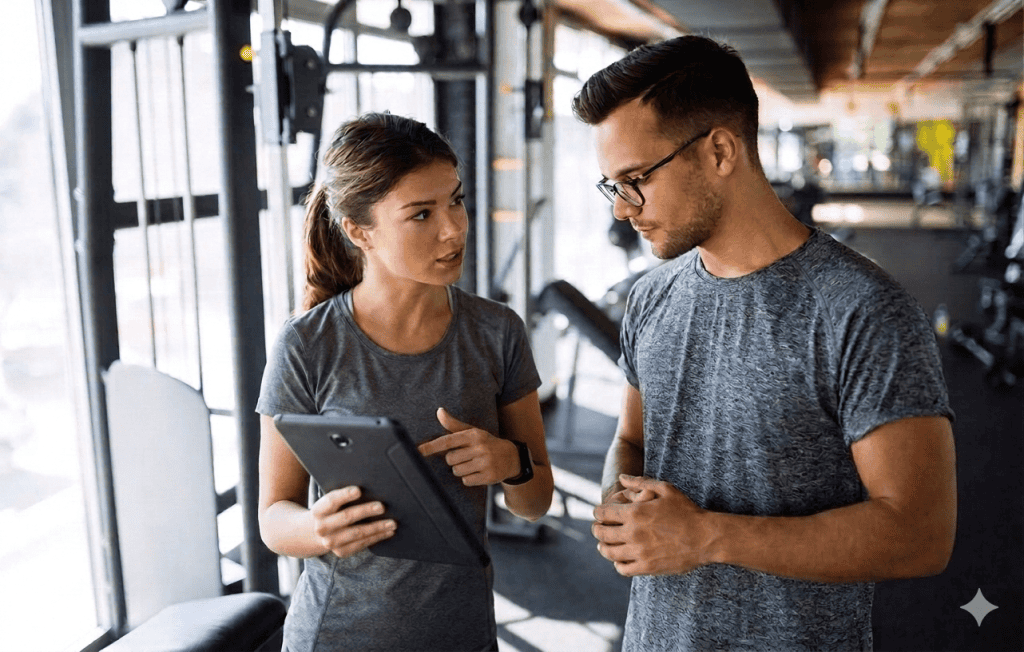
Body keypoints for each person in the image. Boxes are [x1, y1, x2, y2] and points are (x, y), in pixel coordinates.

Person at [572, 36, 957, 651]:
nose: (622, 209)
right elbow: (632, 439)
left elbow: (919, 533)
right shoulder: (650, 298)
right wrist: (620, 501)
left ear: (721, 150)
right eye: (611, 186)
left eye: (636, 179)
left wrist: (704, 536)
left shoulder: (861, 311)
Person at [256, 112, 553, 652]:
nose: (454, 228)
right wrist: (319, 529)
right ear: (358, 231)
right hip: (335, 637)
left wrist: (513, 462)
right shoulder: (307, 344)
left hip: (462, 635)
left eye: (456, 201)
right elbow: (275, 518)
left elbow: (533, 503)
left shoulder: (496, 331)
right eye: (421, 214)